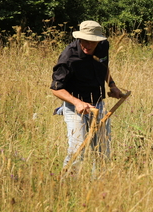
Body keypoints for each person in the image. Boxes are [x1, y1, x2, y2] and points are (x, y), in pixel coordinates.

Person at [50, 20, 124, 171]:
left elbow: (103, 65)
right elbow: (56, 88)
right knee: (78, 149)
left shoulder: (103, 46)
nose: (87, 45)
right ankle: (68, 183)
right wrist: (77, 102)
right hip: (75, 107)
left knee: (103, 149)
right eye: (84, 41)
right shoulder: (68, 57)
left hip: (98, 103)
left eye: (92, 42)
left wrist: (112, 85)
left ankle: (100, 186)